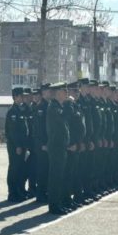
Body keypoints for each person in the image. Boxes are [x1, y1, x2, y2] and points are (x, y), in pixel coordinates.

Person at [46, 83, 70, 215]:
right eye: (64, 90)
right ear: (57, 93)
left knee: (60, 177)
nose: (67, 93)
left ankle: (58, 203)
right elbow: (61, 123)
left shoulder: (59, 106)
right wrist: (68, 105)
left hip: (61, 147)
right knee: (55, 177)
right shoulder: (53, 107)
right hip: (56, 147)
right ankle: (54, 205)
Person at [5, 87, 29, 202]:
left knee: (21, 169)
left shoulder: (21, 110)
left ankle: (20, 191)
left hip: (22, 145)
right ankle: (12, 193)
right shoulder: (12, 112)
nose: (22, 98)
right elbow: (13, 132)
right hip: (15, 146)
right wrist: (18, 146)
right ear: (15, 97)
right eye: (20, 96)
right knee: (14, 169)